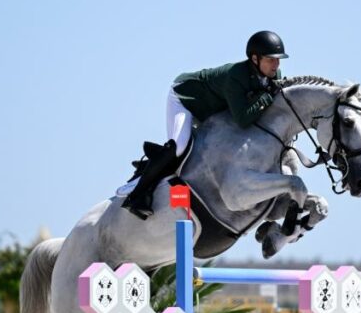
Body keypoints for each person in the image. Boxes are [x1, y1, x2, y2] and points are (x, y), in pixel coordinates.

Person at [121, 30, 288, 219]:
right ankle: (137, 195)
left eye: (278, 59)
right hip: (185, 99)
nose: (276, 64)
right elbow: (243, 119)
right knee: (180, 147)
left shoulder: (274, 75)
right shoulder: (236, 76)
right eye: (271, 59)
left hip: (212, 110)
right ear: (255, 59)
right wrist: (266, 96)